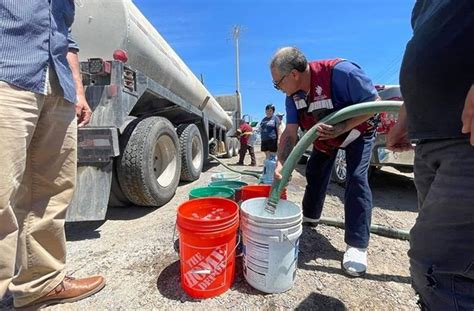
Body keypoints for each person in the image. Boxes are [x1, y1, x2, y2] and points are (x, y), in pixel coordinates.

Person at [0, 2, 105, 309]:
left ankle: (41, 282)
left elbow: (65, 40)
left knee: (53, 192)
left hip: (58, 89)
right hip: (8, 77)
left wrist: (79, 92)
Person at [387, 0, 474, 309]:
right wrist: (406, 115)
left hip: (466, 139)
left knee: (438, 265)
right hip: (429, 141)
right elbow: (426, 53)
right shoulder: (423, 5)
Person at [270, 47, 379, 277]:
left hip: (357, 132)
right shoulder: (293, 97)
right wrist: (281, 163)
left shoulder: (342, 73)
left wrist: (343, 126)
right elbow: (290, 133)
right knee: (316, 171)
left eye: (277, 83)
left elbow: (373, 103)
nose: (279, 89)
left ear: (293, 74)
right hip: (324, 137)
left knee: (356, 179)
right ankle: (310, 217)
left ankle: (357, 245)